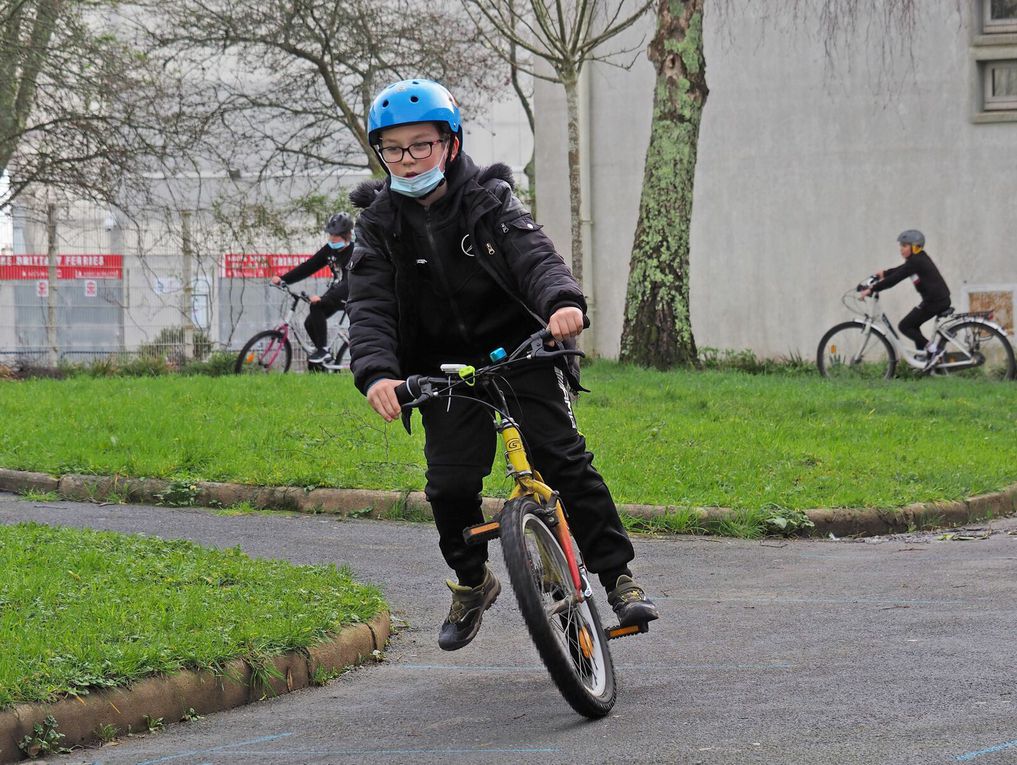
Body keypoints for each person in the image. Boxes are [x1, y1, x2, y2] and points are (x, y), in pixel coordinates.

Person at [346, 78, 658, 651]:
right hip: (439, 371)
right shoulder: (378, 224)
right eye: (393, 149)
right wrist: (378, 373)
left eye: (422, 145)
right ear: (380, 152)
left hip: (518, 351)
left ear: (451, 144)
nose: (409, 159)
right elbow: (369, 305)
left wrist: (562, 304)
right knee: (449, 487)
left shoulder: (488, 199)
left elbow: (532, 254)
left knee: (565, 461)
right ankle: (472, 581)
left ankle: (618, 578)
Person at [271, 212, 355, 368]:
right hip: (337, 290)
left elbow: (349, 281)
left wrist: (323, 299)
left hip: (351, 292)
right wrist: (284, 279)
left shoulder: (354, 252)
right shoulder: (330, 250)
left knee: (316, 306)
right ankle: (324, 357)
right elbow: (309, 267)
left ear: (346, 235)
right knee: (310, 322)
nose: (331, 239)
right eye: (330, 235)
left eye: (335, 236)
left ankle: (323, 351)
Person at [860, 229, 951, 365]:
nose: (901, 249)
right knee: (913, 324)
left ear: (915, 247)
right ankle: (923, 357)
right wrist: (883, 274)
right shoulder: (917, 259)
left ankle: (934, 351)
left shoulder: (916, 261)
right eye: (901, 246)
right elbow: (901, 270)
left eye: (904, 246)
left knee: (905, 326)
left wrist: (872, 289)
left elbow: (895, 279)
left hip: (935, 302)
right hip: (937, 300)